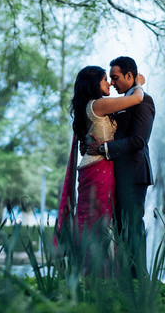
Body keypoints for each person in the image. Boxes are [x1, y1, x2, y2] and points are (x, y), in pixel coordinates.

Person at [86, 56, 155, 277]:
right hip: (115, 175)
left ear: (129, 76)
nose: (113, 83)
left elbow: (138, 140)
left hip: (133, 174)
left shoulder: (144, 101)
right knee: (120, 228)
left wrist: (104, 149)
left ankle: (138, 278)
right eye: (110, 79)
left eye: (115, 78)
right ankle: (124, 276)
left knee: (132, 226)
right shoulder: (126, 100)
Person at [57, 65, 145, 236]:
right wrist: (139, 84)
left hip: (93, 166)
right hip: (98, 168)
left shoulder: (89, 106)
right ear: (94, 83)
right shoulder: (99, 104)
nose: (110, 84)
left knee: (91, 220)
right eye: (105, 79)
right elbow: (137, 99)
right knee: (98, 223)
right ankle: (95, 261)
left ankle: (86, 260)